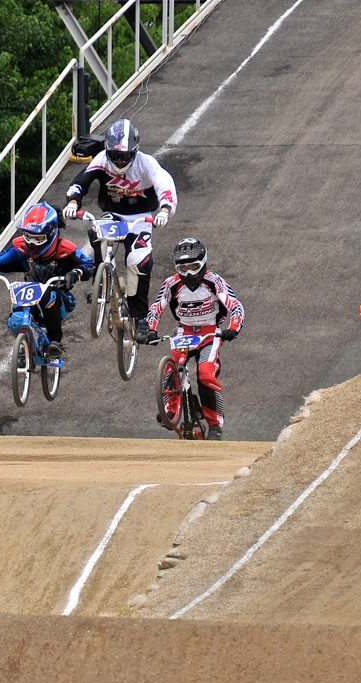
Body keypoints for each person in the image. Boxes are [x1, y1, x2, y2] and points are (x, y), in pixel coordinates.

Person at [61, 118, 177, 325]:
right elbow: (80, 182)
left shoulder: (146, 163)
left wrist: (165, 210)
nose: (120, 162)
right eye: (115, 156)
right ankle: (102, 280)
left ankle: (140, 316)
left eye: (125, 157)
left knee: (140, 262)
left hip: (140, 218)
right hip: (113, 214)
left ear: (135, 152)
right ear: (107, 151)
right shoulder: (101, 161)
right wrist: (72, 203)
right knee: (97, 234)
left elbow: (164, 184)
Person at [135, 237, 244, 441]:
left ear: (203, 263)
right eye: (183, 268)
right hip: (183, 332)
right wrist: (150, 329)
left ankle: (215, 425)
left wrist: (233, 328)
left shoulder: (215, 281)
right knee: (172, 367)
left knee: (205, 374)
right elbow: (156, 307)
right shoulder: (171, 283)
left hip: (210, 333)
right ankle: (170, 410)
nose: (189, 273)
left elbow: (235, 305)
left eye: (194, 267)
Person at [0, 201, 93, 360]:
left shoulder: (65, 249)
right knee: (16, 319)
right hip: (30, 294)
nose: (31, 243)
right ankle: (25, 343)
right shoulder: (20, 248)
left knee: (48, 294)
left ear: (51, 234)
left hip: (61, 299)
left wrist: (75, 273)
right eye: (28, 237)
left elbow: (90, 264)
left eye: (38, 239)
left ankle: (55, 342)